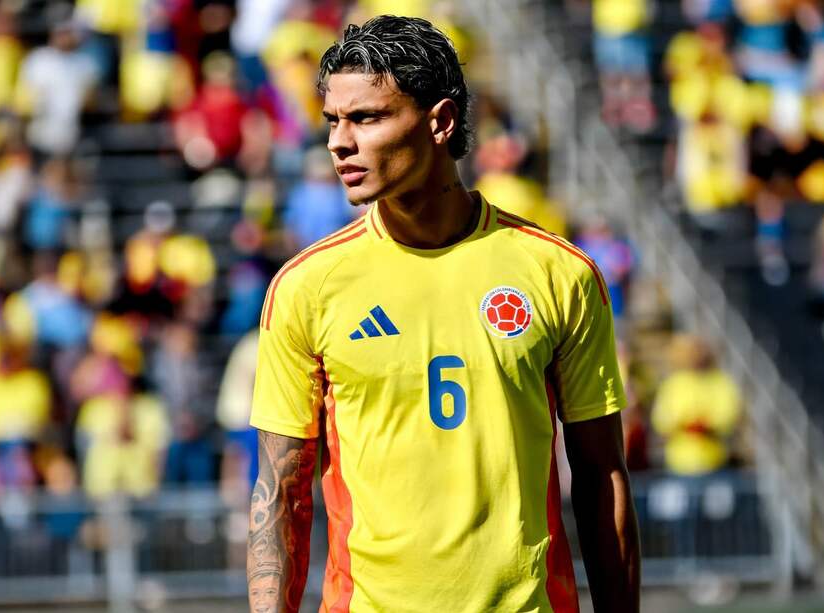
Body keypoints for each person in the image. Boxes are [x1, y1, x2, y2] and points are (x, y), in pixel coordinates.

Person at [247, 15, 641, 613]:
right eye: (332, 120)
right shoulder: (306, 286)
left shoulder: (559, 273)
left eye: (366, 118)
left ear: (440, 122)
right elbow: (280, 494)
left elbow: (601, 474)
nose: (338, 142)